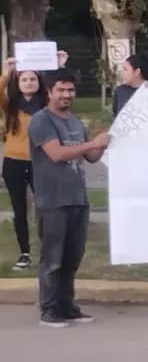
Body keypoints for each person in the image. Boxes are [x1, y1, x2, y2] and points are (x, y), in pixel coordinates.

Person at [27, 70, 109, 327]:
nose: (66, 95)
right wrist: (91, 144)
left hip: (77, 197)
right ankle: (49, 309)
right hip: (52, 200)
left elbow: (90, 157)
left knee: (73, 257)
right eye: (60, 90)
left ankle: (67, 305)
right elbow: (57, 154)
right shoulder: (41, 121)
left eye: (70, 90)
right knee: (53, 259)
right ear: (49, 92)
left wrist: (102, 144)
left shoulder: (75, 121)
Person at [1, 50, 68, 269]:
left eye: (32, 79)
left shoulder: (46, 105)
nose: (29, 83)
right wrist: (7, 71)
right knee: (19, 210)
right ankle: (25, 253)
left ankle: (49, 251)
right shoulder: (10, 105)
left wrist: (58, 66)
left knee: (45, 207)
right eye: (24, 79)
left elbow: (63, 93)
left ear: (39, 82)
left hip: (40, 162)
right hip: (13, 162)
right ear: (17, 82)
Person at [112, 53, 148, 117]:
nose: (121, 72)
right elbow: (116, 116)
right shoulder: (120, 91)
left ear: (137, 72)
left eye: (125, 69)